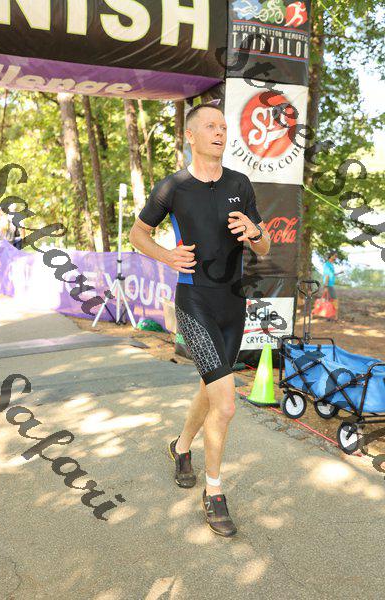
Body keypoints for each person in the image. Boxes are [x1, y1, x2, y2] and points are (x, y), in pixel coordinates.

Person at [129, 101, 270, 537]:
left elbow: (264, 245)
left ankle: (181, 446)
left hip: (233, 304)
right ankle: (214, 492)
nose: (220, 132)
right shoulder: (174, 187)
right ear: (190, 136)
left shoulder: (239, 183)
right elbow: (137, 233)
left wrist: (255, 232)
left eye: (223, 127)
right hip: (195, 303)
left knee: (211, 390)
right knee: (225, 403)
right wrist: (166, 255)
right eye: (210, 126)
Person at [322, 251, 342, 322]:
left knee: (329, 300)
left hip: (330, 284)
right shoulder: (327, 264)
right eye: (335, 256)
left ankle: (329, 317)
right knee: (335, 300)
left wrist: (339, 273)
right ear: (331, 256)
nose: (336, 257)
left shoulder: (331, 265)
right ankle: (335, 317)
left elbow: (332, 274)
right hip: (328, 285)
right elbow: (327, 275)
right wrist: (326, 286)